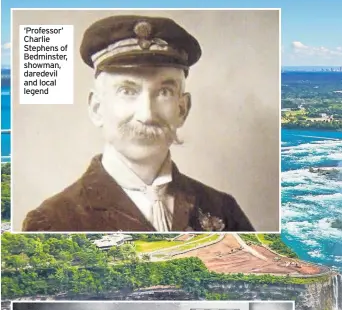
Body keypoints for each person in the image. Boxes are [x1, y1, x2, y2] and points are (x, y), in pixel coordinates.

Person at [22, 15, 254, 233]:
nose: (147, 114)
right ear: (97, 108)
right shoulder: (53, 221)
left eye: (164, 92)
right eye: (127, 91)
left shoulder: (224, 209)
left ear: (182, 109)